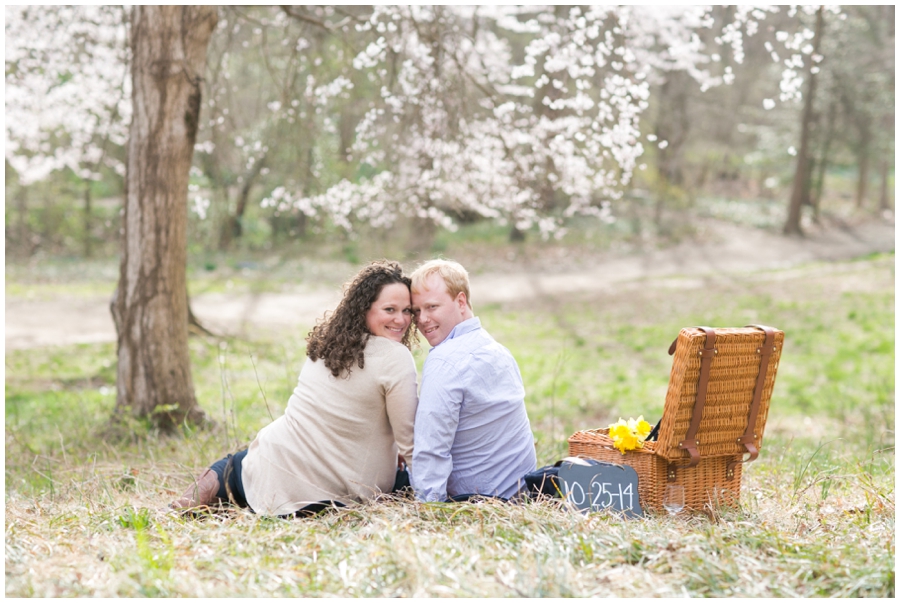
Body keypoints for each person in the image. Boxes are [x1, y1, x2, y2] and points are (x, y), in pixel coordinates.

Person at [171, 260, 419, 516]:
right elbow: (410, 443)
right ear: (364, 309)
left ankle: (183, 504)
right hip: (339, 492)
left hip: (272, 464)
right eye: (390, 309)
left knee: (234, 465)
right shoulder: (395, 357)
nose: (401, 320)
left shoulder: (328, 345)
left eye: (407, 311)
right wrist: (431, 497)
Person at [409, 259, 537, 502]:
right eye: (416, 311)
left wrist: (427, 513)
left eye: (432, 307)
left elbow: (431, 449)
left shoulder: (445, 361)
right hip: (522, 495)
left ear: (460, 302)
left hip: (478, 506)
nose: (422, 319)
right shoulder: (499, 351)